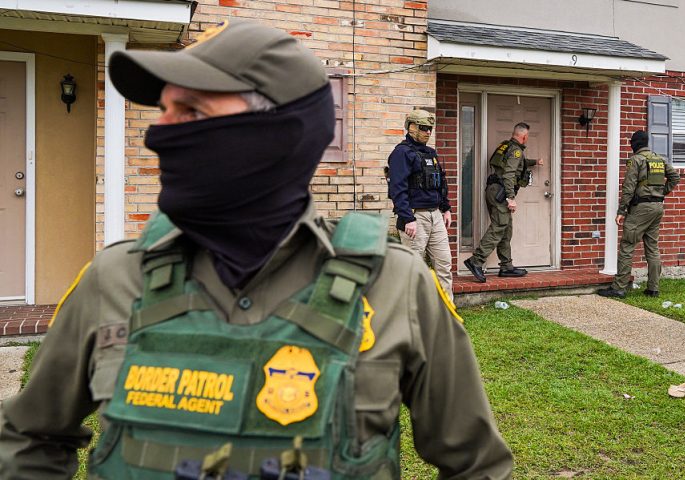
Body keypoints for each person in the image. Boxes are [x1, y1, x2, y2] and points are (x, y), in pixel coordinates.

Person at [0, 20, 513, 479]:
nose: (158, 136)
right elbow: (30, 439)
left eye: (192, 110)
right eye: (165, 111)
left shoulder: (395, 283)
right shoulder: (114, 277)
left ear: (280, 133)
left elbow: (476, 464)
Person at [598, 130, 680, 299]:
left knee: (627, 245)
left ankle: (619, 287)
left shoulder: (635, 160)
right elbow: (675, 177)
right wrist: (661, 194)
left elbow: (628, 187)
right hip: (657, 207)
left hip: (641, 208)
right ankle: (653, 288)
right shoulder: (659, 158)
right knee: (652, 247)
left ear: (634, 144)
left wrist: (621, 211)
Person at [463, 122, 543, 283]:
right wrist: (511, 198)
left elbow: (513, 163)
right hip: (501, 193)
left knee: (506, 229)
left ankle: (506, 266)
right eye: (527, 136)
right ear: (524, 136)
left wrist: (534, 162)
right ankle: (475, 261)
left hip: (493, 190)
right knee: (499, 227)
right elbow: (508, 174)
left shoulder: (506, 146)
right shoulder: (516, 151)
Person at [387, 109, 453, 300]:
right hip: (416, 218)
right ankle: (413, 317)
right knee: (414, 270)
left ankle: (447, 313)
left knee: (444, 265)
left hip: (436, 216)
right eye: (424, 128)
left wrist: (446, 208)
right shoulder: (402, 153)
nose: (428, 132)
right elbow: (397, 189)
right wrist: (407, 218)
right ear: (412, 127)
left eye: (430, 128)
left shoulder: (430, 153)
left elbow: (440, 182)